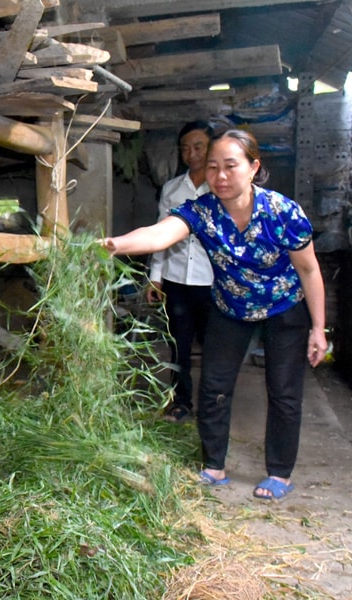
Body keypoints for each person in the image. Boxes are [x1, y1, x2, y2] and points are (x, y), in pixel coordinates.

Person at [100, 129, 328, 501]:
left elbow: (309, 270)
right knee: (214, 387)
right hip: (229, 308)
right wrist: (117, 245)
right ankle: (214, 466)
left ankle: (280, 473)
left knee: (284, 392)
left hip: (284, 309)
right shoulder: (202, 211)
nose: (220, 177)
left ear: (253, 168)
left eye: (230, 166)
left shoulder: (282, 212)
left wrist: (318, 327)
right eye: (212, 168)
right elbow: (159, 235)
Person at [147, 121, 214, 423]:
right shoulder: (172, 189)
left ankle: (213, 405)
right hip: (177, 282)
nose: (192, 153)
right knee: (179, 345)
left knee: (215, 348)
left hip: (214, 282)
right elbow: (160, 235)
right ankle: (181, 401)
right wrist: (155, 276)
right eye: (186, 148)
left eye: (198, 146)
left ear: (211, 148)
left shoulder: (221, 188)